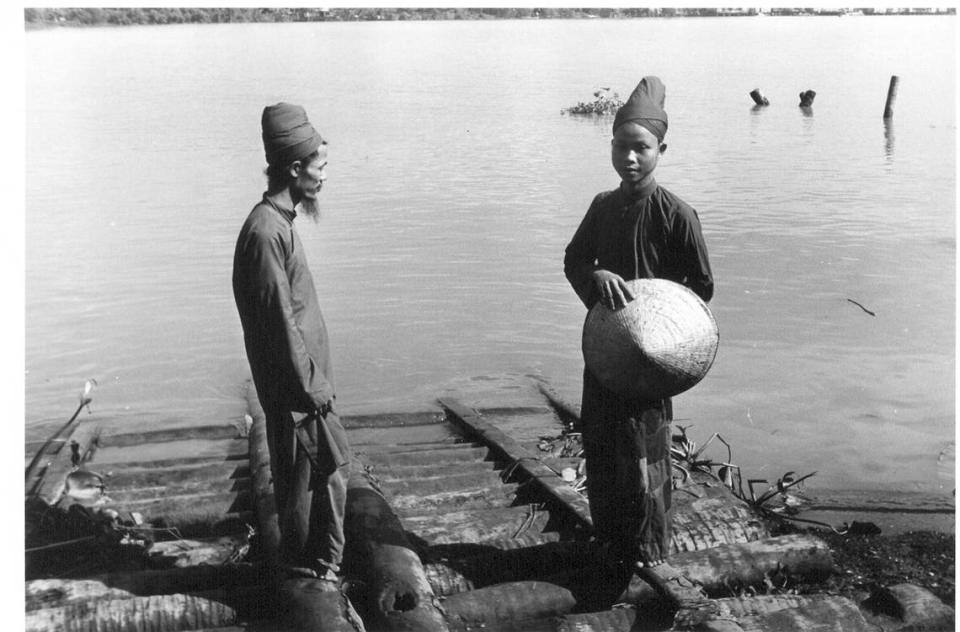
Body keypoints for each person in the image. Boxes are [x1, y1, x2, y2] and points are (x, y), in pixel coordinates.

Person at [563, 76, 715, 619]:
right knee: (601, 442)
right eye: (621, 146)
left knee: (645, 454)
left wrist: (664, 324)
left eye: (641, 148)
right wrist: (597, 276)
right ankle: (609, 540)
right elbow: (573, 260)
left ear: (661, 151)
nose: (630, 157)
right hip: (607, 353)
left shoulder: (677, 214)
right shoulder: (603, 206)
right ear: (610, 147)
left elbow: (700, 290)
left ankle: (649, 552)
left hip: (651, 361)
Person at [233, 102, 351, 585]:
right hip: (301, 391)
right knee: (325, 480)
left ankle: (308, 563)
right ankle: (315, 572)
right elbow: (278, 321)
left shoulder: (278, 223)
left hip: (304, 386)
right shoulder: (265, 232)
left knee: (309, 479)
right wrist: (312, 388)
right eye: (320, 166)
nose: (324, 176)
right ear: (295, 167)